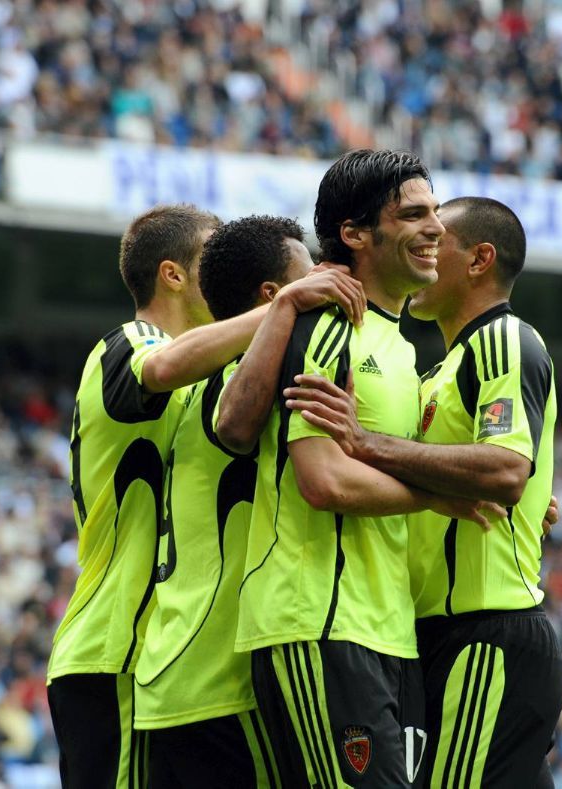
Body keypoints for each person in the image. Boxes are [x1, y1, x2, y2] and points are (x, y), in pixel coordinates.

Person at [46, 204, 362, 789]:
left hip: (152, 656)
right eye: (209, 257)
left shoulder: (218, 377)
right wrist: (284, 306)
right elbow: (162, 366)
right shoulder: (129, 342)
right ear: (172, 275)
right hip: (115, 648)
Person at [216, 151, 504, 788]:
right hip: (319, 621)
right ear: (354, 235)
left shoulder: (400, 348)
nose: (436, 229)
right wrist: (435, 496)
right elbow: (324, 481)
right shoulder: (327, 326)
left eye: (436, 211)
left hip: (386, 631)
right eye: (413, 215)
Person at [283, 196, 562, 787]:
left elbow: (506, 470)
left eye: (443, 243)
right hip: (437, 636)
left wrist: (364, 442)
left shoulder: (505, 339)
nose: (428, 252)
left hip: (487, 632)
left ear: (480, 260)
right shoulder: (435, 370)